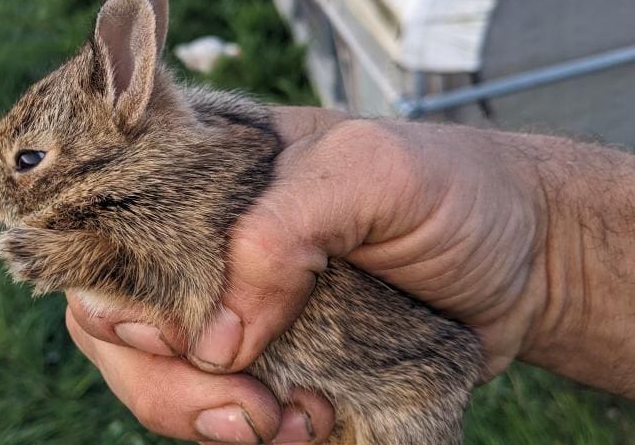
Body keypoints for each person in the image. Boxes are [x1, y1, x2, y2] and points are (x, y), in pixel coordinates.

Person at [65, 106, 635, 444]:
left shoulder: (190, 190)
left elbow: (186, 272)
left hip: (401, 389)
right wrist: (551, 246)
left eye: (29, 163)